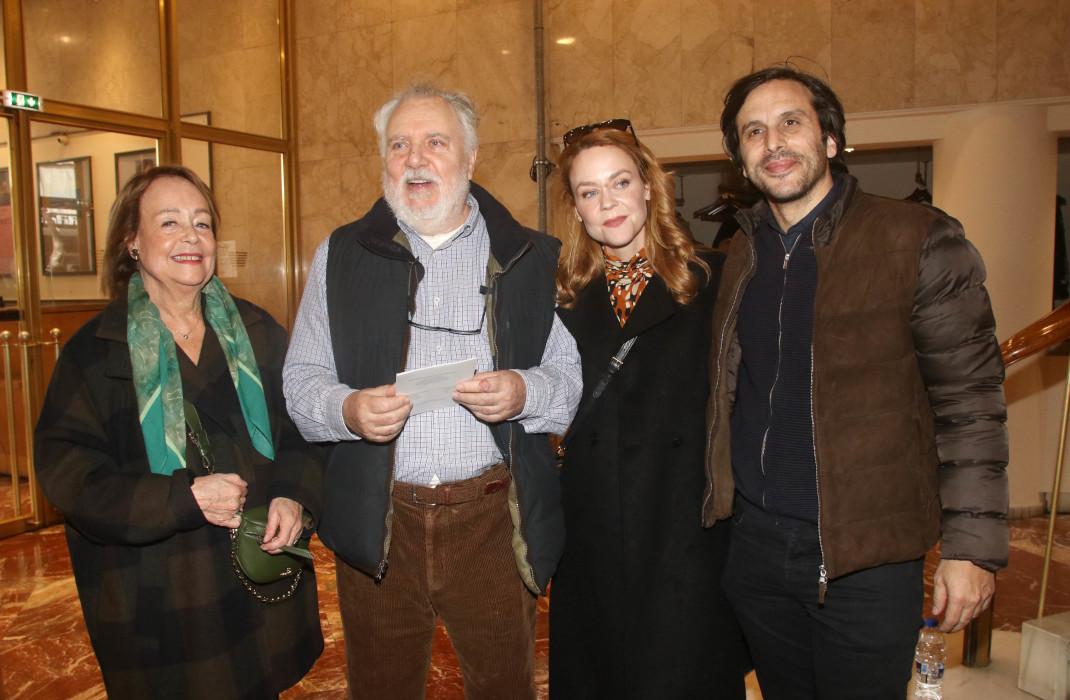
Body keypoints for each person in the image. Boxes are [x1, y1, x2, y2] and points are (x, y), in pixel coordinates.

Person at [705, 66, 1009, 699]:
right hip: (758, 550)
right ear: (741, 159)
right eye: (753, 131)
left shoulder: (916, 239)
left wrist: (971, 550)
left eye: (791, 122)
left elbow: (971, 405)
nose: (773, 142)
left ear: (830, 139)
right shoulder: (741, 253)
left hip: (865, 558)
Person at [283, 84, 582, 699]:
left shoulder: (532, 257)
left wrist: (524, 392)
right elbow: (301, 379)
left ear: (471, 158)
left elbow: (569, 378)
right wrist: (347, 409)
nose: (415, 159)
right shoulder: (340, 256)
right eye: (399, 145)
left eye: (435, 142)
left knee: (504, 689)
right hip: (380, 521)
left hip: (494, 523)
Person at [34, 165, 324, 699]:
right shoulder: (94, 353)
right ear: (132, 242)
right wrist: (181, 499)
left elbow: (303, 431)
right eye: (169, 223)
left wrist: (293, 496)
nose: (191, 237)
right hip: (159, 591)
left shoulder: (258, 331)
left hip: (257, 575)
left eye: (202, 223)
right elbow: (71, 478)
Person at [548, 122, 748, 698]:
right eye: (589, 191)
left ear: (649, 187)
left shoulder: (712, 277)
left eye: (620, 182)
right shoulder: (561, 295)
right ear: (577, 209)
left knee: (683, 673)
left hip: (684, 521)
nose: (607, 203)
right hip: (592, 524)